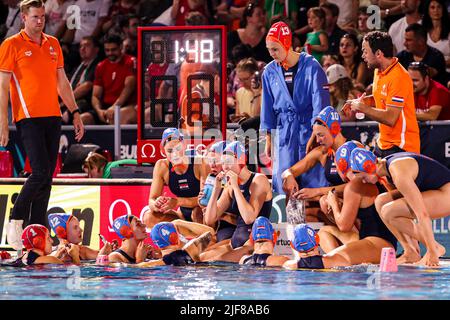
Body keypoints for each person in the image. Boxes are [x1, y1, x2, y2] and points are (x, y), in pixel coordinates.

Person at [0, 0, 85, 251]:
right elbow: (3, 87)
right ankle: (15, 221)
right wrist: (3, 123)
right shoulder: (11, 45)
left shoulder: (53, 44)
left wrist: (76, 112)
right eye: (35, 17)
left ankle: (36, 232)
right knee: (38, 172)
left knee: (47, 177)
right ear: (23, 18)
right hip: (28, 118)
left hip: (52, 116)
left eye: (43, 17)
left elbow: (62, 82)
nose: (40, 21)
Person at [348, 148, 450, 267]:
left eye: (363, 178)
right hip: (435, 189)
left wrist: (432, 252)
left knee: (389, 211)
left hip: (446, 194)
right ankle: (410, 251)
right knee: (381, 201)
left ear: (370, 167)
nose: (364, 182)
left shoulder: (398, 173)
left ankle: (435, 247)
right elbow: (403, 216)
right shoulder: (386, 165)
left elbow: (422, 214)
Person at [261, 21, 330, 195]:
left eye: (275, 49)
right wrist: (269, 139)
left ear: (287, 44)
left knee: (312, 180)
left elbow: (321, 103)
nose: (272, 54)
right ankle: (284, 222)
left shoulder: (312, 66)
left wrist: (317, 133)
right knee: (283, 182)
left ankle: (315, 218)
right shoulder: (269, 72)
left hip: (309, 130)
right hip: (284, 132)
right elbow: (267, 108)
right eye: (269, 49)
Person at [347, 31, 420, 158]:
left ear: (379, 54)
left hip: (402, 147)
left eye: (365, 51)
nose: (363, 56)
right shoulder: (378, 71)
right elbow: (381, 99)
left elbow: (390, 118)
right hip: (383, 143)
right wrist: (362, 102)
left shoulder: (399, 77)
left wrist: (362, 108)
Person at [201, 141, 273, 263]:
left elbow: (249, 218)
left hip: (253, 244)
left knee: (215, 262)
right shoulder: (230, 185)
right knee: (200, 258)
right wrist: (216, 189)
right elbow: (209, 219)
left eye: (228, 162)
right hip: (235, 241)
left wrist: (235, 186)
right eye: (223, 163)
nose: (225, 167)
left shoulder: (259, 180)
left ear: (241, 160)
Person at [142, 128, 208, 227]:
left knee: (197, 213)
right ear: (163, 151)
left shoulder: (200, 163)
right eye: (170, 150)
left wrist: (177, 201)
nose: (175, 154)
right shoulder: (161, 166)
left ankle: (206, 240)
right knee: (149, 217)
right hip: (182, 215)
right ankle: (179, 241)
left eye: (178, 149)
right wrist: (157, 204)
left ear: (185, 146)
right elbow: (151, 200)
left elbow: (206, 201)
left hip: (202, 212)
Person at [82, 35, 137, 125]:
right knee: (84, 119)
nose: (110, 53)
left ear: (121, 47)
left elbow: (129, 87)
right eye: (107, 50)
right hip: (106, 107)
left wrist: (115, 106)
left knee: (116, 116)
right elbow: (95, 95)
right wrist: (99, 111)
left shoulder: (130, 61)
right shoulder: (101, 66)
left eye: (113, 50)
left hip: (126, 105)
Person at [136, 221, 212, 267]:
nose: (181, 236)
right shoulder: (188, 251)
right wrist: (179, 222)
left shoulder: (156, 263)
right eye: (179, 234)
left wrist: (139, 260)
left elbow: (136, 267)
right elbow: (210, 233)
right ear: (174, 237)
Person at [62, 36, 101, 124]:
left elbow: (86, 86)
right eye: (81, 46)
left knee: (67, 114)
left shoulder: (98, 66)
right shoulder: (77, 68)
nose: (83, 49)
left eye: (87, 45)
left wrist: (64, 102)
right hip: (72, 102)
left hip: (88, 104)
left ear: (96, 49)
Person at [48, 213, 112, 261]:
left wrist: (108, 250)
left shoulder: (82, 251)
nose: (81, 230)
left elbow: (100, 256)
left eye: (79, 226)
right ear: (63, 233)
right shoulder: (51, 253)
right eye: (75, 227)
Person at [8, 224, 80, 266]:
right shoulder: (51, 259)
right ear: (39, 242)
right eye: (48, 238)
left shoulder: (22, 258)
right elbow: (74, 272)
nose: (52, 241)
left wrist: (57, 256)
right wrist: (75, 255)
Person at [422, 0, 450, 73]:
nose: (436, 10)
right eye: (432, 7)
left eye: (439, 7)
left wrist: (438, 66)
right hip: (428, 73)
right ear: (427, 11)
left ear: (443, 9)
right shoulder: (422, 31)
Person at [231, 57, 262, 123]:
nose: (242, 83)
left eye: (246, 79)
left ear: (255, 75)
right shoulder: (239, 92)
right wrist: (237, 119)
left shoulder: (265, 93)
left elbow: (262, 120)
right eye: (240, 79)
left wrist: (249, 120)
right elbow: (238, 115)